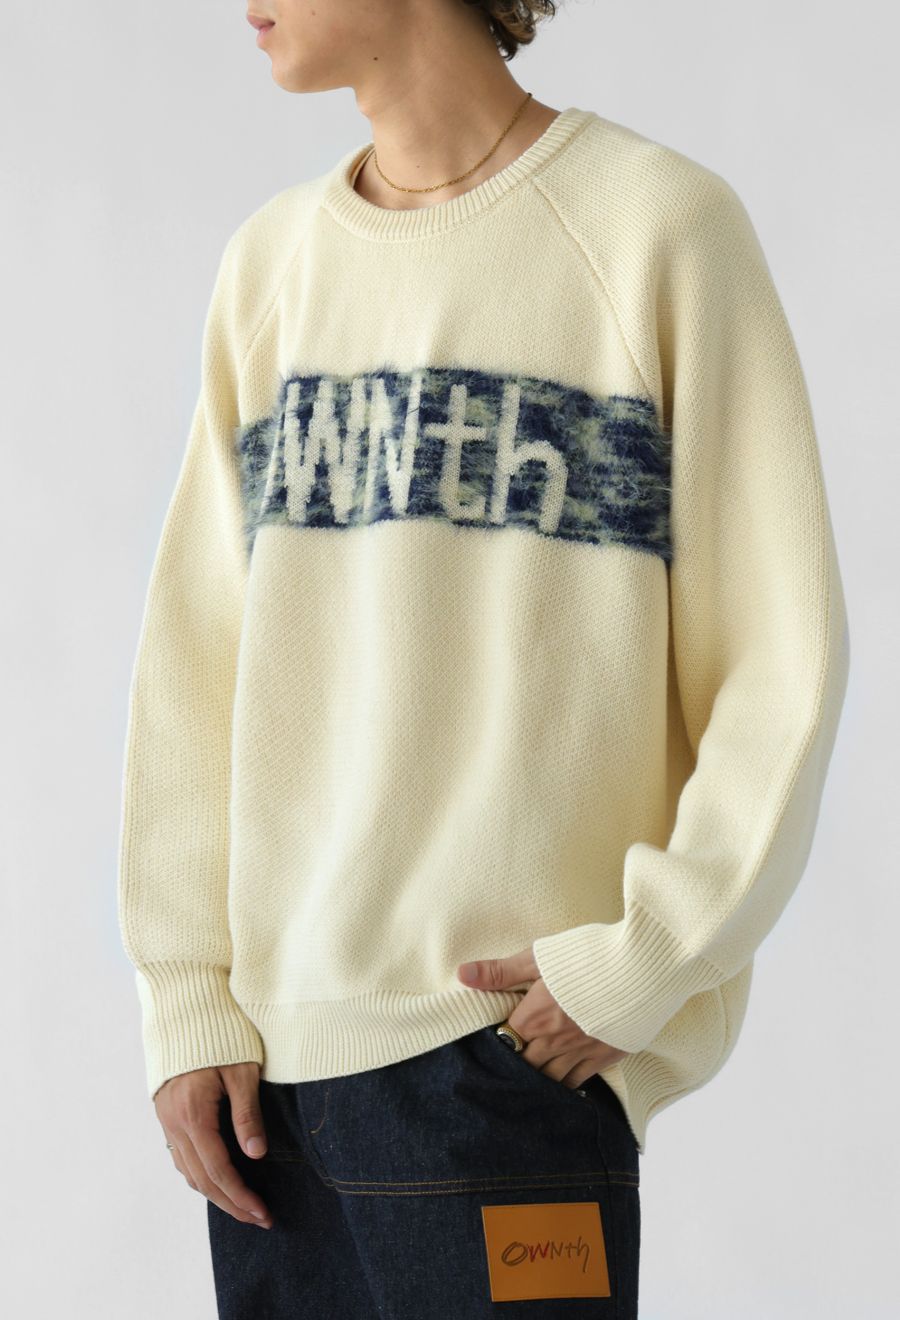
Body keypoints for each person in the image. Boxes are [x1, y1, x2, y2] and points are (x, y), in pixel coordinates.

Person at [116, 2, 851, 1316]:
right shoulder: (274, 265)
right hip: (271, 1099)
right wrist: (188, 1000)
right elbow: (195, 668)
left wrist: (643, 957)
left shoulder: (653, 230)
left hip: (499, 1061)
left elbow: (777, 659)